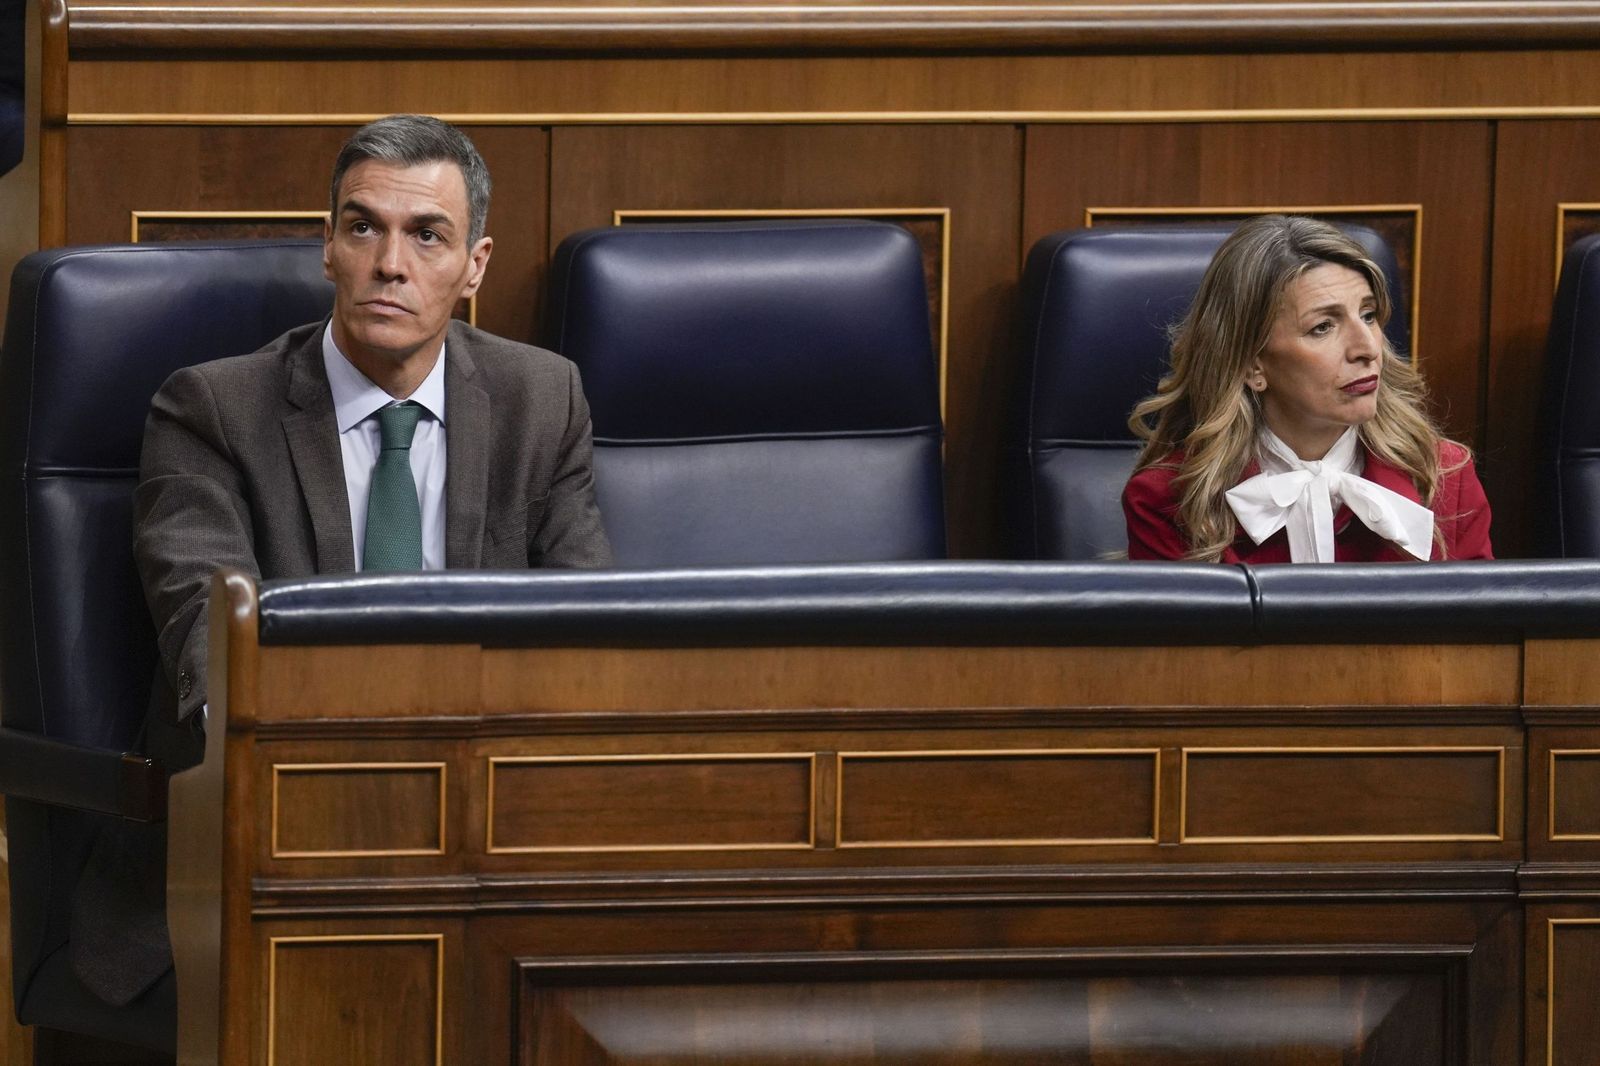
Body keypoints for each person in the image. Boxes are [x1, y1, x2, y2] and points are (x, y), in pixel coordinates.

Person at [77, 114, 611, 1011]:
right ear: (328, 246)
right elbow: (213, 647)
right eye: (364, 227)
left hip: (482, 830)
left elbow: (584, 638)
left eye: (427, 235)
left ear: (475, 264)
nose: (390, 263)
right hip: (269, 832)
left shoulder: (541, 398)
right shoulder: (211, 410)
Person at [1122, 214, 1492, 563]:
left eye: (1368, 315)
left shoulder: (1445, 477)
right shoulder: (1168, 502)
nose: (1367, 348)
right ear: (1252, 364)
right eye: (1322, 327)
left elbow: (1482, 612)